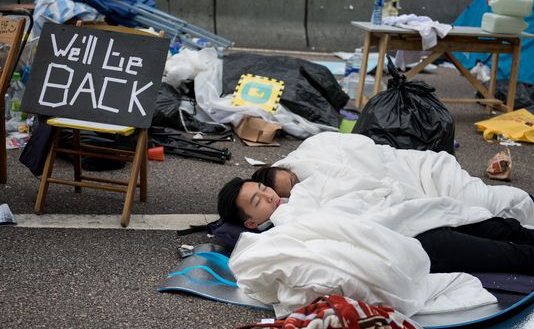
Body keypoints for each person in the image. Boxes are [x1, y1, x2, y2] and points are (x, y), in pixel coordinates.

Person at [218, 132, 534, 275]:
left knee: (502, 227)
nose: (268, 196)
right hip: (414, 242)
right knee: (510, 255)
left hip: (410, 210)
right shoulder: (280, 231)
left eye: (263, 188)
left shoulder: (299, 188)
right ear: (250, 222)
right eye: (258, 200)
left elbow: (352, 177)